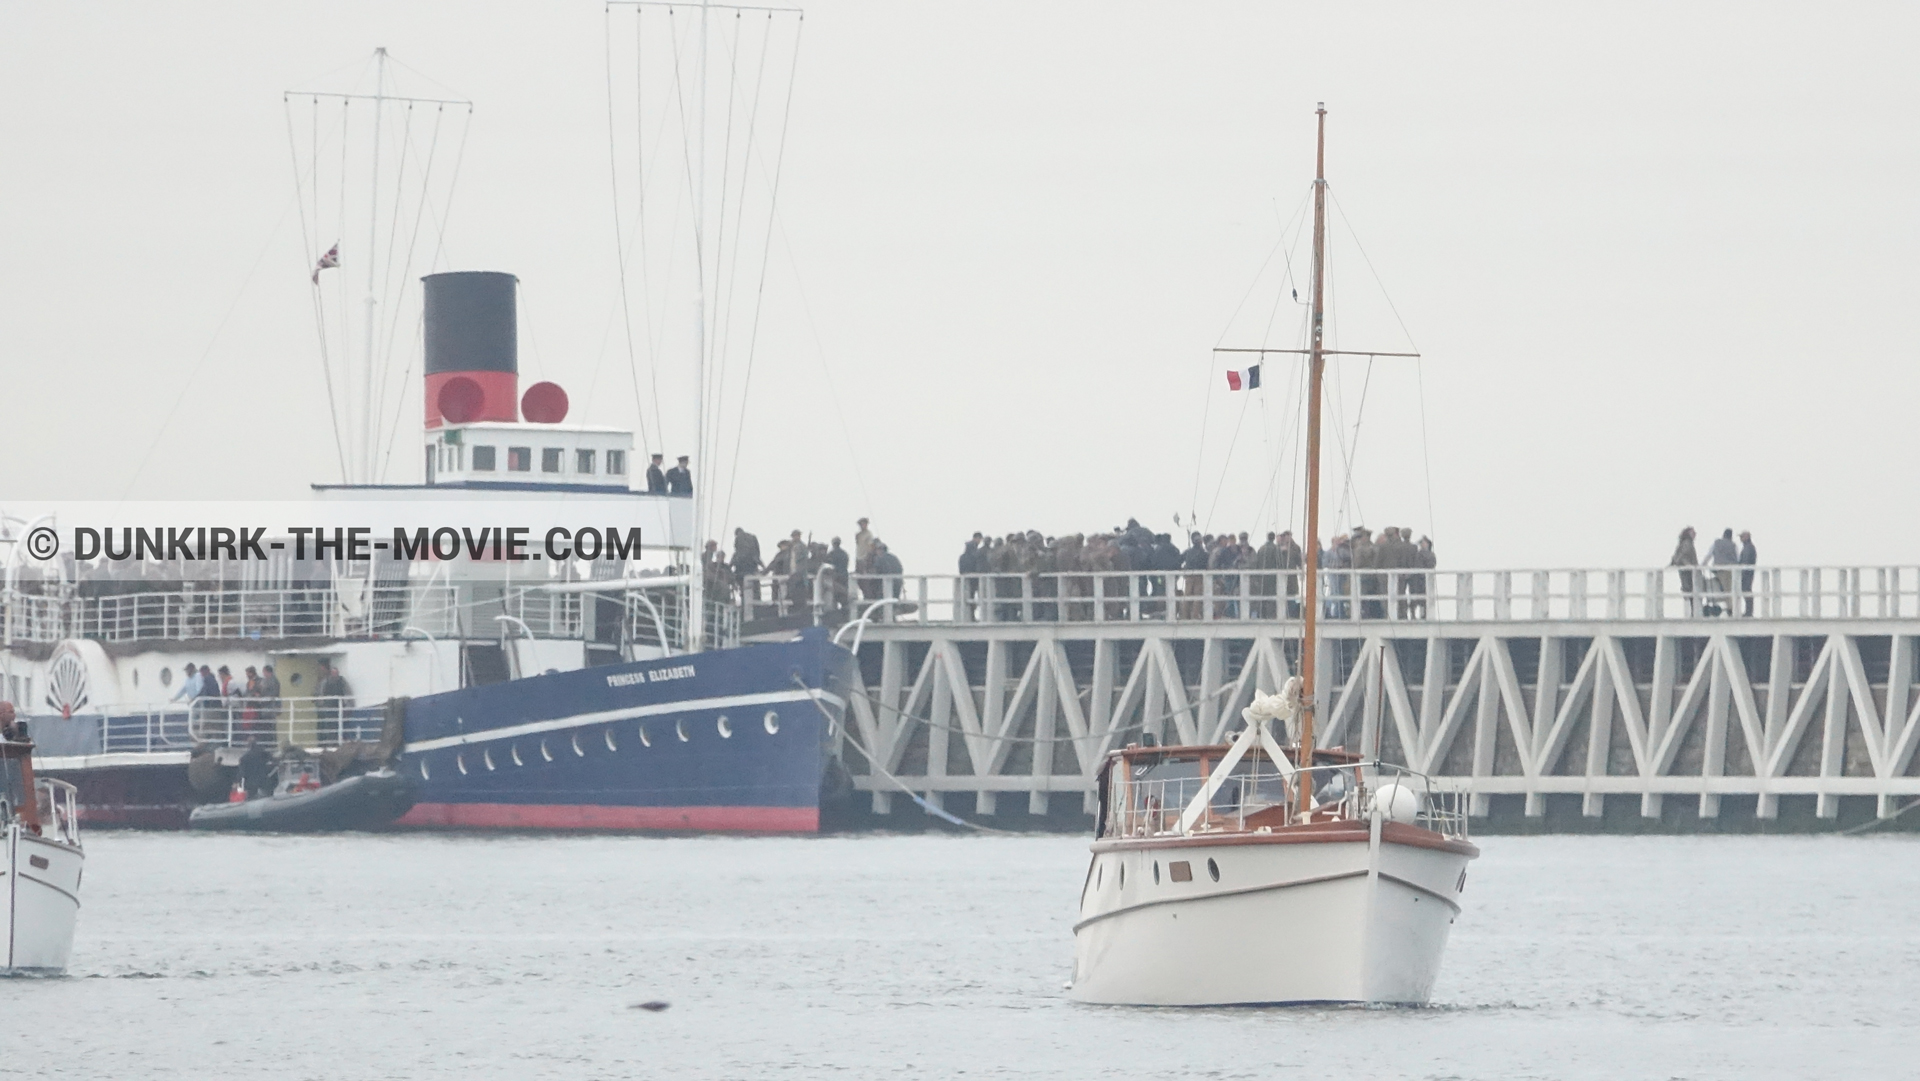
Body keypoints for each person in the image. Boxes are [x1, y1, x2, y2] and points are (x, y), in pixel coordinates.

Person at [1704, 528, 1739, 617]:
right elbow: (1737, 559)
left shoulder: (1716, 543)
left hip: (1717, 570)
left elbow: (1709, 554)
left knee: (1718, 588)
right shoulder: (1733, 545)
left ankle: (1720, 607)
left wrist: (1702, 565)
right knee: (1728, 590)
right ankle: (1731, 609)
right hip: (1729, 571)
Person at [1670, 527, 1700, 617]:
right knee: (1690, 589)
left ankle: (1691, 611)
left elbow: (1678, 556)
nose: (1695, 534)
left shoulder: (1683, 543)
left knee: (1688, 590)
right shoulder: (1687, 543)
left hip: (1686, 570)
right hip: (1687, 571)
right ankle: (1692, 612)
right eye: (1693, 533)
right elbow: (1683, 556)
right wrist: (1689, 565)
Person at [1738, 531, 1758, 617]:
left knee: (1746, 590)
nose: (1740, 539)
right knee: (1746, 591)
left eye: (1742, 537)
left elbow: (1745, 561)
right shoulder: (1748, 547)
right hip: (1748, 573)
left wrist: (1742, 572)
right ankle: (1748, 611)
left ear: (1746, 537)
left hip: (1747, 574)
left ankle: (1749, 612)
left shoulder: (1749, 548)